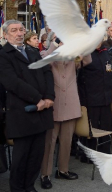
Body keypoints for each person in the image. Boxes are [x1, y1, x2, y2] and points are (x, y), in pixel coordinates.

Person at [0, 20, 54, 192]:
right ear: (5, 35)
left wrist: (49, 97)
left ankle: (29, 186)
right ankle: (17, 189)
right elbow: (12, 82)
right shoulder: (3, 54)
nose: (19, 33)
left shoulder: (33, 51)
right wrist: (38, 99)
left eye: (21, 29)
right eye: (14, 30)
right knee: (21, 157)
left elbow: (47, 73)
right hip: (21, 114)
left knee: (36, 155)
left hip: (41, 113)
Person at [40, 39, 91, 189]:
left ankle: (63, 170)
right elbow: (44, 61)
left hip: (70, 104)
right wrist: (55, 44)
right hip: (53, 105)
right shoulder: (45, 53)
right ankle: (45, 174)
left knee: (67, 141)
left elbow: (88, 60)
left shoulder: (72, 56)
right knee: (49, 142)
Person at [77, 42, 112, 156]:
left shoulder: (105, 52)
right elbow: (80, 77)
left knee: (106, 125)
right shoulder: (86, 53)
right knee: (91, 127)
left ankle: (105, 152)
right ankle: (89, 154)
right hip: (91, 97)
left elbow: (109, 73)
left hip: (105, 97)